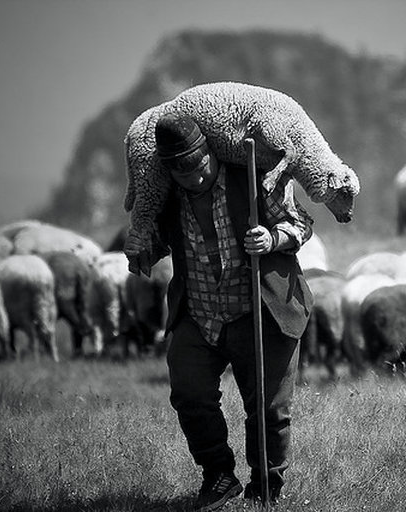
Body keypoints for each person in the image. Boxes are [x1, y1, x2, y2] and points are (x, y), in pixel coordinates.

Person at [124, 114, 314, 512]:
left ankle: (266, 488)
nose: (193, 178)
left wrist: (273, 237)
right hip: (199, 309)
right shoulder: (165, 194)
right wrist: (142, 246)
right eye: (181, 172)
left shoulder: (254, 175)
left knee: (268, 408)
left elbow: (301, 225)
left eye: (198, 167)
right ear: (169, 171)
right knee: (190, 394)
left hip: (260, 308)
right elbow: (156, 241)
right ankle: (219, 476)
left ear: (211, 153)